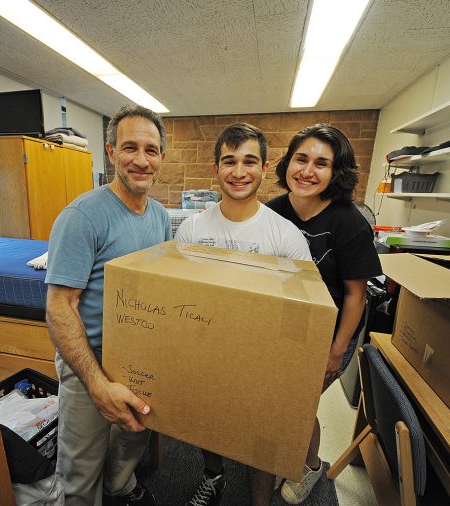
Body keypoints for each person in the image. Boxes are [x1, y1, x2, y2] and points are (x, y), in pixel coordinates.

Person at [175, 123, 311, 506]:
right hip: (206, 348)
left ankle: (260, 501)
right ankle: (214, 475)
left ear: (265, 168)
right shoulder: (192, 229)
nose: (238, 172)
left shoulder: (285, 236)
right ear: (216, 168)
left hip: (264, 354)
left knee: (261, 435)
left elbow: (303, 308)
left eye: (249, 161)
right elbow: (180, 294)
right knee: (208, 419)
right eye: (229, 161)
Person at [45, 104, 172, 506]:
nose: (140, 159)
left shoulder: (160, 217)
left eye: (150, 150)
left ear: (161, 158)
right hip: (89, 358)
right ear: (112, 152)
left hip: (139, 356)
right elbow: (60, 307)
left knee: (134, 434)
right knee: (81, 471)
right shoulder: (82, 216)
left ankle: (120, 487)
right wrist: (97, 384)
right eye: (129, 147)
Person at [266, 124, 382, 504]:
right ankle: (282, 456)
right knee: (275, 401)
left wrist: (335, 352)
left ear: (336, 173)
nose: (307, 170)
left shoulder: (348, 222)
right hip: (282, 329)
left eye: (322, 163)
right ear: (288, 164)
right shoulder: (272, 212)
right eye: (301, 159)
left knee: (295, 407)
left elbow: (355, 295)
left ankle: (311, 466)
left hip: (330, 336)